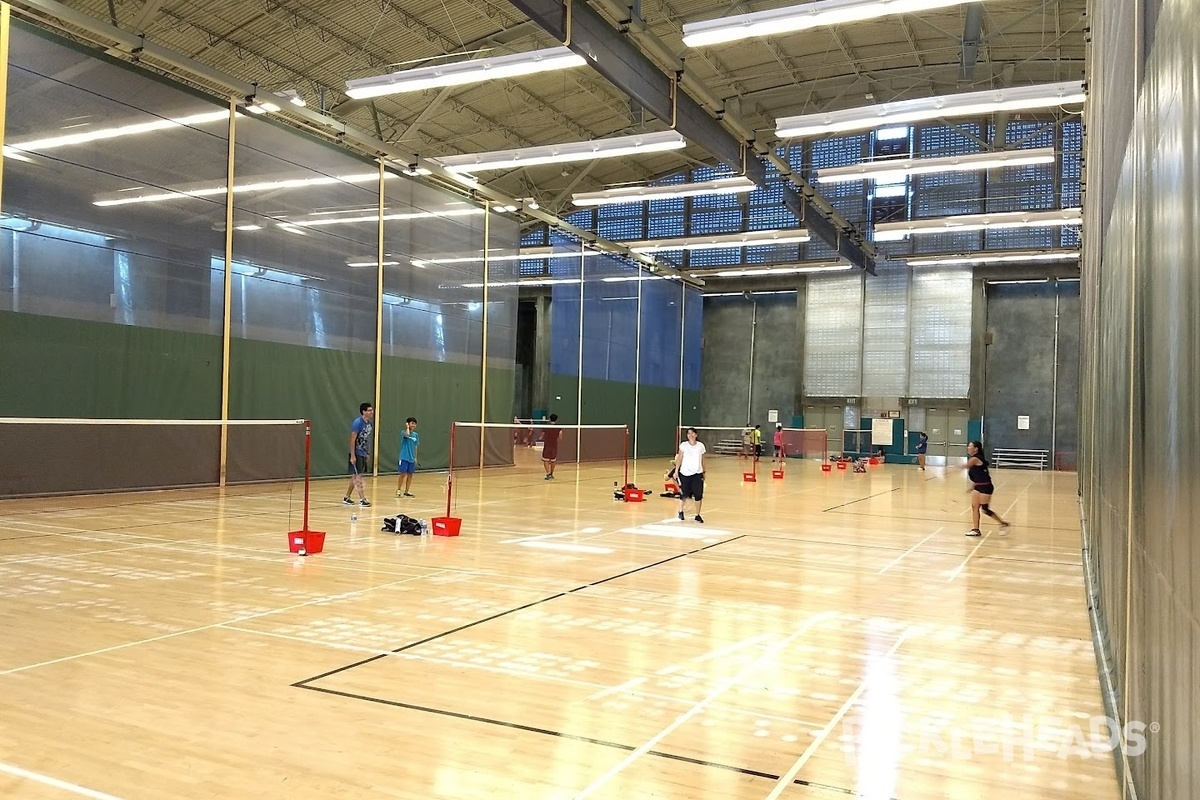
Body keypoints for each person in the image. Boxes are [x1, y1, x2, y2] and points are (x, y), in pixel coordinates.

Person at [964, 440, 1010, 536]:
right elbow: (978, 475)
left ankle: (1003, 523)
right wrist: (973, 486)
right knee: (974, 507)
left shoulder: (975, 459)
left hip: (986, 486)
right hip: (977, 486)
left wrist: (954, 468)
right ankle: (976, 529)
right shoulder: (975, 459)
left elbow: (965, 466)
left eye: (970, 446)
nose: (968, 448)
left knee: (985, 509)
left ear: (976, 449)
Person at [674, 426, 707, 523]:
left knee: (698, 494)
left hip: (697, 473)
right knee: (684, 494)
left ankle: (697, 515)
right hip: (685, 473)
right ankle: (680, 511)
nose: (691, 435)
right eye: (689, 433)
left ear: (696, 435)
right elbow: (679, 458)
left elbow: (703, 459)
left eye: (692, 433)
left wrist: (704, 471)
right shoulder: (683, 445)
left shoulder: (701, 446)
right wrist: (676, 470)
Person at [343, 402, 373, 507]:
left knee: (355, 476)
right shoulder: (357, 423)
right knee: (358, 476)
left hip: (363, 453)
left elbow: (367, 439)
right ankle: (362, 499)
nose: (371, 412)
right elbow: (352, 439)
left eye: (371, 410)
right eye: (369, 410)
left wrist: (368, 453)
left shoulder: (369, 424)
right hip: (356, 452)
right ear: (364, 411)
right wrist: (352, 455)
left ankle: (347, 497)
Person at [395, 417, 419, 498]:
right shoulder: (403, 433)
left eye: (415, 423)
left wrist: (415, 457)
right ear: (408, 424)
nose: (414, 425)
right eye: (412, 423)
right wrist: (407, 428)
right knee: (403, 473)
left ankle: (407, 491)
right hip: (404, 457)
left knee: (410, 474)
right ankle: (398, 490)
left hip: (411, 458)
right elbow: (407, 435)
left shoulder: (416, 435)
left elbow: (416, 446)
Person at [541, 413, 560, 480]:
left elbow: (542, 435)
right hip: (554, 445)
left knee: (545, 459)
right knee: (553, 460)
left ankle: (548, 473)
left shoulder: (546, 426)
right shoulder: (558, 427)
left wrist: (541, 438)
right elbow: (560, 436)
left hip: (547, 444)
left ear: (549, 419)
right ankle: (551, 473)